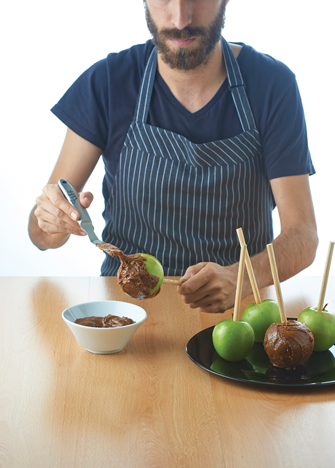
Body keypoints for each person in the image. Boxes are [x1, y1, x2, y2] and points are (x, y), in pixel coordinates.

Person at [28, 0, 318, 313]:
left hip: (240, 314)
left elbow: (303, 235)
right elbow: (40, 233)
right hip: (124, 314)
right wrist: (51, 221)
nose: (181, 19)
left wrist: (242, 276)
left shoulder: (272, 84)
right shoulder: (109, 82)